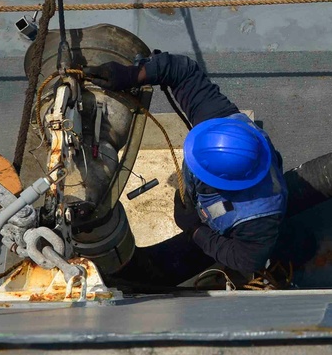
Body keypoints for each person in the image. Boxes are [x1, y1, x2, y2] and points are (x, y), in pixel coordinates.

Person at [84, 53, 295, 284]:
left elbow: (246, 261)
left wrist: (196, 229)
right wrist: (133, 75)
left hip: (221, 225)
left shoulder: (258, 220)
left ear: (221, 182)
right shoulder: (221, 123)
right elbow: (181, 71)